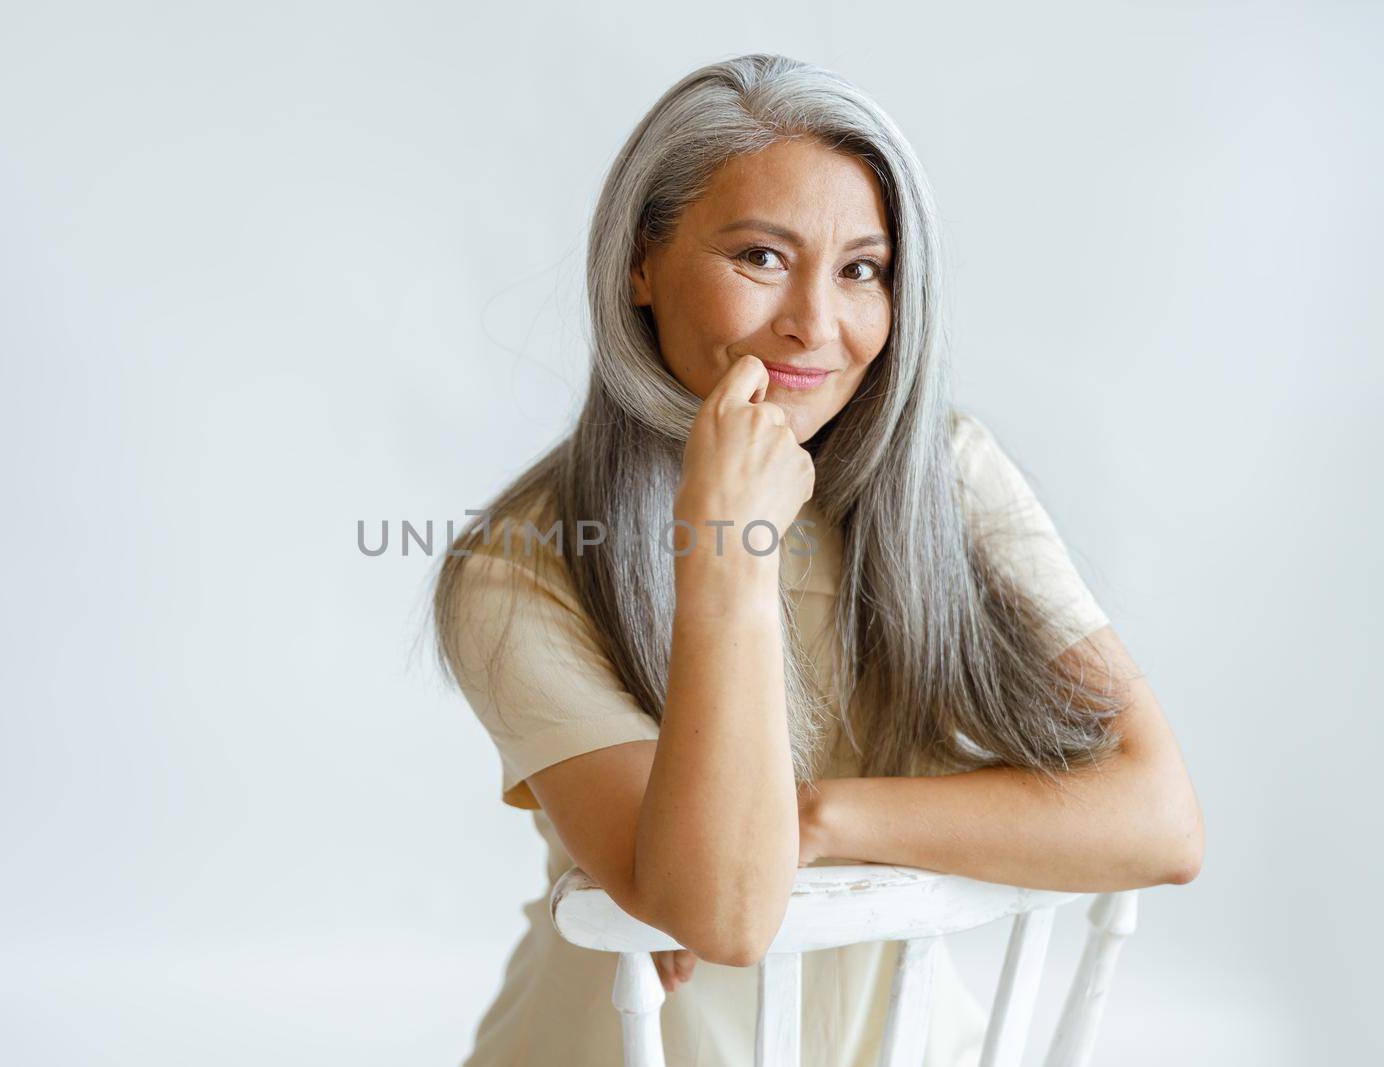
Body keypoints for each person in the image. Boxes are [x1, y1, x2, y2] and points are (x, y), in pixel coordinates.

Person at [428, 52, 1204, 1067]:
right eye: (759, 256)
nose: (815, 325)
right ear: (641, 263)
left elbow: (1157, 821)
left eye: (861, 270)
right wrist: (728, 546)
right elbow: (725, 915)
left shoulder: (948, 477)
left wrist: (815, 816)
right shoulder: (518, 562)